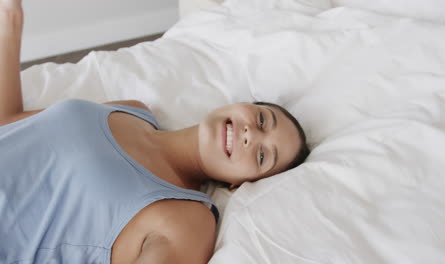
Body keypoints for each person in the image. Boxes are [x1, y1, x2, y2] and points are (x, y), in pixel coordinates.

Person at [0, 1, 310, 263]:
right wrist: (10, 25)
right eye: (261, 120)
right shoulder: (131, 110)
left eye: (261, 155)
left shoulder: (188, 220)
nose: (250, 135)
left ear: (238, 185)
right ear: (238, 104)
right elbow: (11, 124)